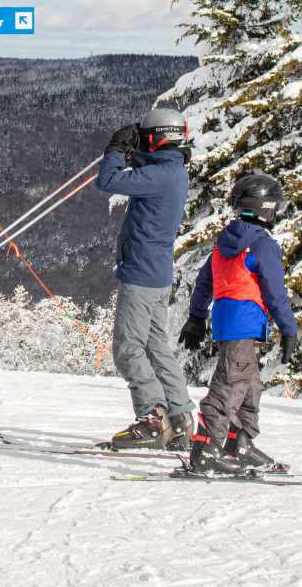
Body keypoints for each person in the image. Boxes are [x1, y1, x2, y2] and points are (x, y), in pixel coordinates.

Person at [178, 173, 299, 474]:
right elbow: (275, 292)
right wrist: (289, 329)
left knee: (249, 384)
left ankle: (239, 442)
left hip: (226, 320)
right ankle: (206, 450)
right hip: (243, 321)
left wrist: (196, 317)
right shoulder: (262, 245)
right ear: (267, 208)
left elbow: (204, 282)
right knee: (230, 384)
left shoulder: (225, 241)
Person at [94, 108, 196, 450]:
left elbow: (106, 181)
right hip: (158, 272)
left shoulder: (160, 176)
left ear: (158, 139)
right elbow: (149, 167)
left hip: (141, 272)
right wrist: (135, 149)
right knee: (154, 344)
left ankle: (152, 418)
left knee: (127, 348)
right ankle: (180, 417)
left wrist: (115, 149)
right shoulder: (173, 170)